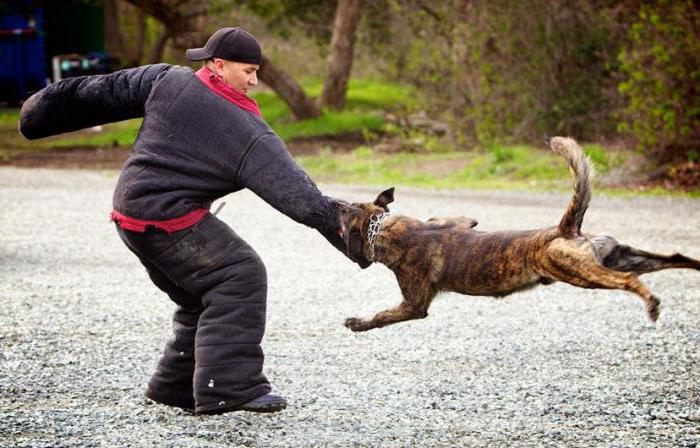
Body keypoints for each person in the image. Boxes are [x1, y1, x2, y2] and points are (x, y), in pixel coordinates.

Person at [19, 27, 370, 415]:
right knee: (239, 275)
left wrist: (37, 114)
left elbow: (100, 93)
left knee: (196, 294)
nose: (254, 81)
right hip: (168, 219)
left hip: (129, 212)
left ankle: (174, 386)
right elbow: (302, 200)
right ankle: (230, 389)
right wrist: (362, 241)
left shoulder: (165, 80)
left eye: (257, 72)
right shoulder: (244, 130)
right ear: (218, 65)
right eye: (247, 71)